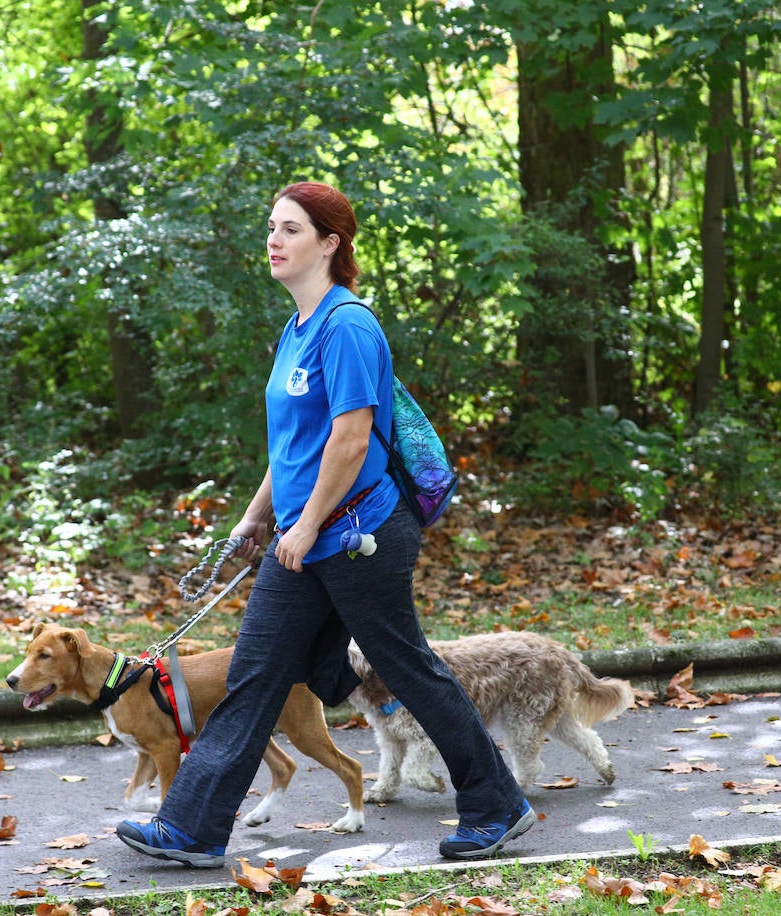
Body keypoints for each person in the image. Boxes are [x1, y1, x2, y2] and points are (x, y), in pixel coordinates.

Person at [116, 181, 534, 867]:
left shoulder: (347, 326)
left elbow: (349, 438)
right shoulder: (298, 328)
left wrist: (305, 526)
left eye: (290, 229)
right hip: (303, 535)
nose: (273, 241)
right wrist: (258, 519)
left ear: (330, 243)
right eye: (271, 228)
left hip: (360, 534)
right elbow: (295, 447)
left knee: (406, 667)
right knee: (255, 673)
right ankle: (191, 827)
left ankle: (497, 803)